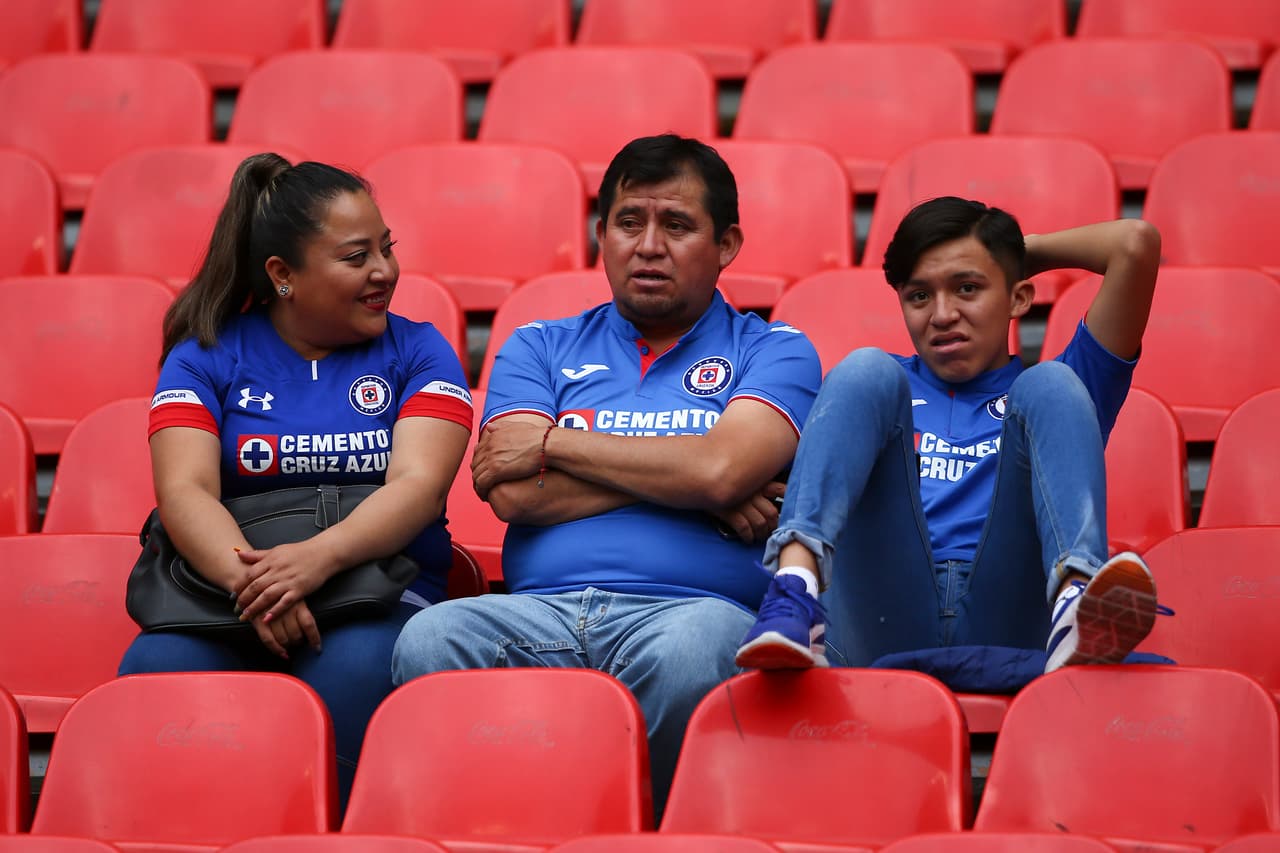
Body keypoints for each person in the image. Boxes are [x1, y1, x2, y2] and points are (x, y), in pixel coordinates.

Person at [392, 134, 822, 809]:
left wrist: (556, 443)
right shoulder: (539, 343)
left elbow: (721, 467)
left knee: (697, 646)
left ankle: (618, 822)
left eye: (676, 225)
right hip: (538, 613)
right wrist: (692, 488)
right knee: (429, 638)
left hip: (687, 615)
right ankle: (519, 822)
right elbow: (510, 492)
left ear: (728, 244)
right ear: (601, 235)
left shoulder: (775, 350)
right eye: (629, 222)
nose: (648, 245)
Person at [118, 153, 473, 803]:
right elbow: (184, 491)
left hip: (379, 595)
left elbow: (418, 488)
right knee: (152, 671)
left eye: (387, 249)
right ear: (283, 274)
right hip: (229, 598)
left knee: (357, 669)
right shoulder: (204, 354)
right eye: (355, 257)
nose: (384, 272)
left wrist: (312, 562)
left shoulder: (421, 349)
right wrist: (255, 587)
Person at [735, 197, 1163, 679]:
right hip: (880, 615)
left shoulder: (1051, 398)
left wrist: (1006, 253)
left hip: (1013, 615)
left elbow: (1135, 245)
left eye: (967, 288)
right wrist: (984, 268)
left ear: (1020, 298)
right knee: (863, 368)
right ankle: (794, 590)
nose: (942, 314)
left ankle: (1077, 602)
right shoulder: (875, 394)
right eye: (919, 296)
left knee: (1052, 383)